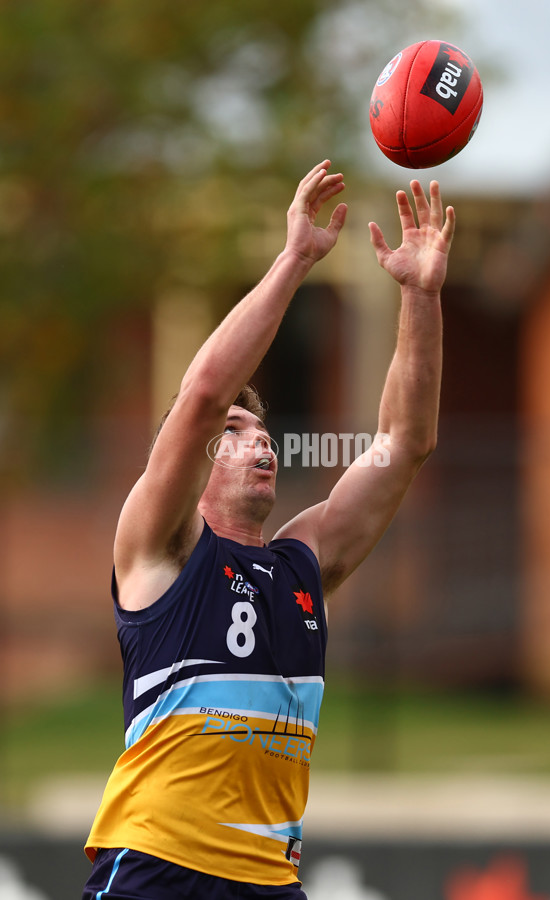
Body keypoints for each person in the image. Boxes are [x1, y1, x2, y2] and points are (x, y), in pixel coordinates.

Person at [81, 159, 455, 900]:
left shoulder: (302, 566)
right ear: (192, 463)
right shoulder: (161, 547)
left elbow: (404, 442)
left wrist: (420, 295)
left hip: (269, 883)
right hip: (158, 872)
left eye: (263, 429)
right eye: (234, 431)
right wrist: (295, 261)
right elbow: (206, 389)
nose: (259, 441)